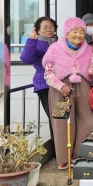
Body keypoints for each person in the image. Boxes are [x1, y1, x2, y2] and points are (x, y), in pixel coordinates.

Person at [42, 17, 93, 170]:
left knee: (88, 120)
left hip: (82, 86)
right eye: (75, 31)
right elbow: (48, 74)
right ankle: (63, 158)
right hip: (60, 89)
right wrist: (61, 86)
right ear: (67, 32)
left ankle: (79, 155)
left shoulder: (88, 49)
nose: (79, 35)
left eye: (82, 31)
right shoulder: (55, 48)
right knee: (62, 122)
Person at [20, 16, 57, 149]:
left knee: (62, 115)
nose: (48, 29)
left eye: (51, 27)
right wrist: (31, 41)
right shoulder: (36, 42)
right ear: (38, 30)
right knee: (54, 117)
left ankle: (62, 147)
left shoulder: (58, 42)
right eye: (45, 27)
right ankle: (57, 148)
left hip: (61, 85)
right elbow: (26, 59)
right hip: (45, 84)